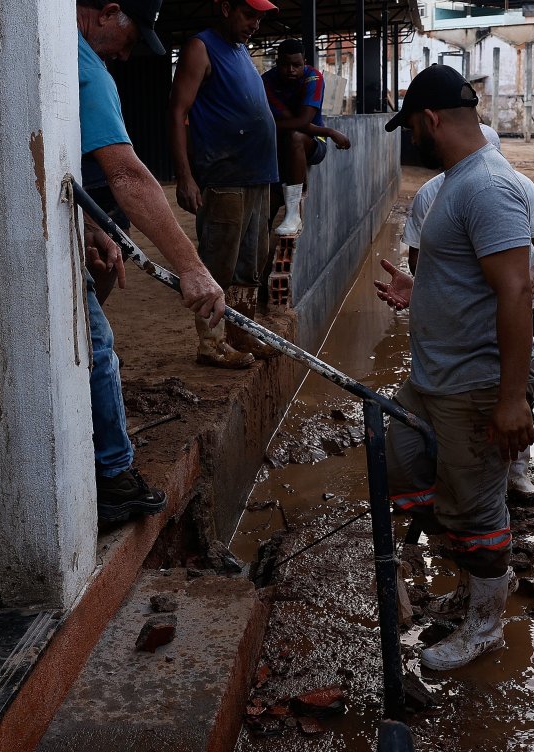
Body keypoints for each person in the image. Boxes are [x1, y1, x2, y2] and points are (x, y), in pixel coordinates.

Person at [375, 65, 534, 672]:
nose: (411, 138)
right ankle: (472, 579)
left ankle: (486, 625)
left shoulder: (487, 187)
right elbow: (468, 278)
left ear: (431, 119)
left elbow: (516, 291)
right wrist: (420, 290)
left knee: (476, 508)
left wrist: (511, 399)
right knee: (401, 459)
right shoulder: (457, 183)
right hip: (432, 380)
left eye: (412, 127)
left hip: (474, 385)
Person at [75, 0, 227, 521]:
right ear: (107, 12)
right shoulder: (87, 69)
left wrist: (90, 225)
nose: (127, 54)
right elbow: (127, 174)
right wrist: (192, 268)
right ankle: (113, 478)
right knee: (95, 346)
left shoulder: (60, 55)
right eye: (132, 37)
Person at [382, 123, 534, 496]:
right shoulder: (431, 194)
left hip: (519, 306)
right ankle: (462, 475)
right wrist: (427, 290)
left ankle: (513, 471)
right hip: (464, 319)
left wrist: (527, 281)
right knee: (466, 402)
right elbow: (423, 261)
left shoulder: (507, 186)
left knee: (516, 384)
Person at [170, 0, 282, 368]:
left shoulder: (241, 51)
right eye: (249, 14)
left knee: (251, 263)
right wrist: (185, 176)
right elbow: (178, 112)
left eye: (259, 17)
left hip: (258, 175)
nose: (255, 24)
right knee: (218, 263)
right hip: (225, 177)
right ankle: (211, 343)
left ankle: (240, 332)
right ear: (224, 8)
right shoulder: (200, 47)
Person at [263, 39, 352, 237]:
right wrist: (331, 132)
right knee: (266, 208)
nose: (291, 70)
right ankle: (260, 250)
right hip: (277, 147)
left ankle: (293, 213)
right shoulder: (266, 82)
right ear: (277, 63)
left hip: (313, 142)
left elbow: (303, 121)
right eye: (285, 65)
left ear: (305, 62)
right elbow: (293, 120)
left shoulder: (313, 77)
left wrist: (268, 126)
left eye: (296, 65)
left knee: (295, 136)